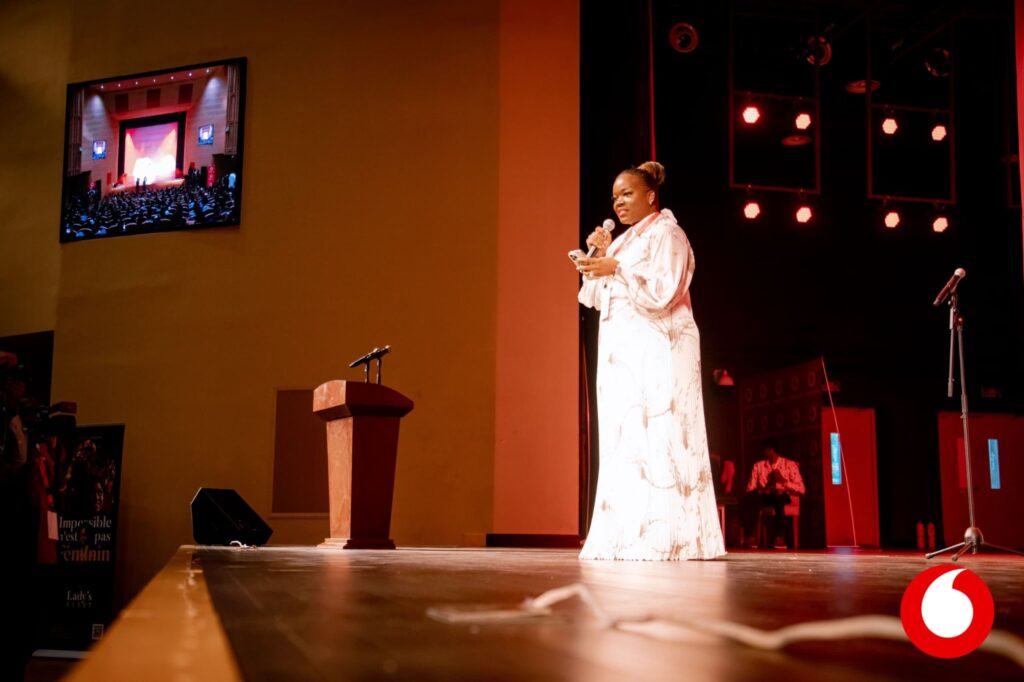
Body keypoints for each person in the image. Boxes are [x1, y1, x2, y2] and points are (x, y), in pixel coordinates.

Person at [575, 161, 725, 561]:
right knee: (626, 440)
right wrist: (598, 258)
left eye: (627, 194)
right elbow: (593, 297)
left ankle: (670, 537)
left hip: (659, 350)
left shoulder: (668, 234)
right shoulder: (621, 243)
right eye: (614, 197)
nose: (619, 203)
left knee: (660, 435)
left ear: (650, 195)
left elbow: (663, 292)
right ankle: (627, 535)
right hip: (623, 354)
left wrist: (617, 268)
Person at [741, 439, 805, 548]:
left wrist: (783, 481)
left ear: (771, 450)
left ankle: (780, 537)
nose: (763, 453)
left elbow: (801, 489)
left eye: (765, 450)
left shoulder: (789, 465)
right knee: (750, 499)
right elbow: (750, 489)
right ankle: (751, 537)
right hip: (764, 496)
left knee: (779, 499)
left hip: (782, 495)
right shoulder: (758, 466)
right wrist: (760, 488)